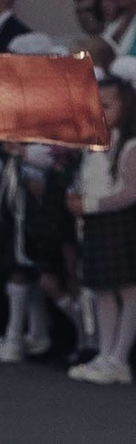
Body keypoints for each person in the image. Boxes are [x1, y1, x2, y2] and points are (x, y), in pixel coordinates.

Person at [69, 74, 136, 385]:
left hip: (119, 223)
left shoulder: (130, 146)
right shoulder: (94, 141)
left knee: (128, 290)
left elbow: (129, 192)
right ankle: (105, 352)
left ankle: (119, 358)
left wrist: (91, 205)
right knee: (102, 290)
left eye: (107, 105)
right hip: (96, 222)